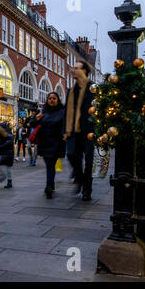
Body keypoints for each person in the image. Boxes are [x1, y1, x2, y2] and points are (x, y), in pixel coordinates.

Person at [63, 61, 95, 201]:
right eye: (72, 68)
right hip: (74, 130)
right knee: (70, 154)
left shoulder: (93, 88)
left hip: (89, 130)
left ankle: (87, 191)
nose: (73, 70)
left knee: (88, 160)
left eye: (76, 68)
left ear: (84, 71)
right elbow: (67, 112)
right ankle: (79, 177)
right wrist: (65, 129)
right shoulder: (71, 91)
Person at [31, 92, 66, 199]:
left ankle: (48, 186)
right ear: (47, 100)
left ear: (57, 100)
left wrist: (65, 134)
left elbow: (66, 125)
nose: (51, 100)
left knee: (51, 164)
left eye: (54, 98)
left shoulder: (62, 112)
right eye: (50, 98)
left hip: (56, 143)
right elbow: (31, 124)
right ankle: (51, 184)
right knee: (49, 165)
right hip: (44, 143)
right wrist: (36, 118)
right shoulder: (42, 112)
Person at [0, 122, 14, 189]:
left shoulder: (9, 135)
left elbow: (8, 144)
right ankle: (2, 175)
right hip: (3, 154)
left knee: (8, 169)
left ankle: (9, 182)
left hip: (9, 154)